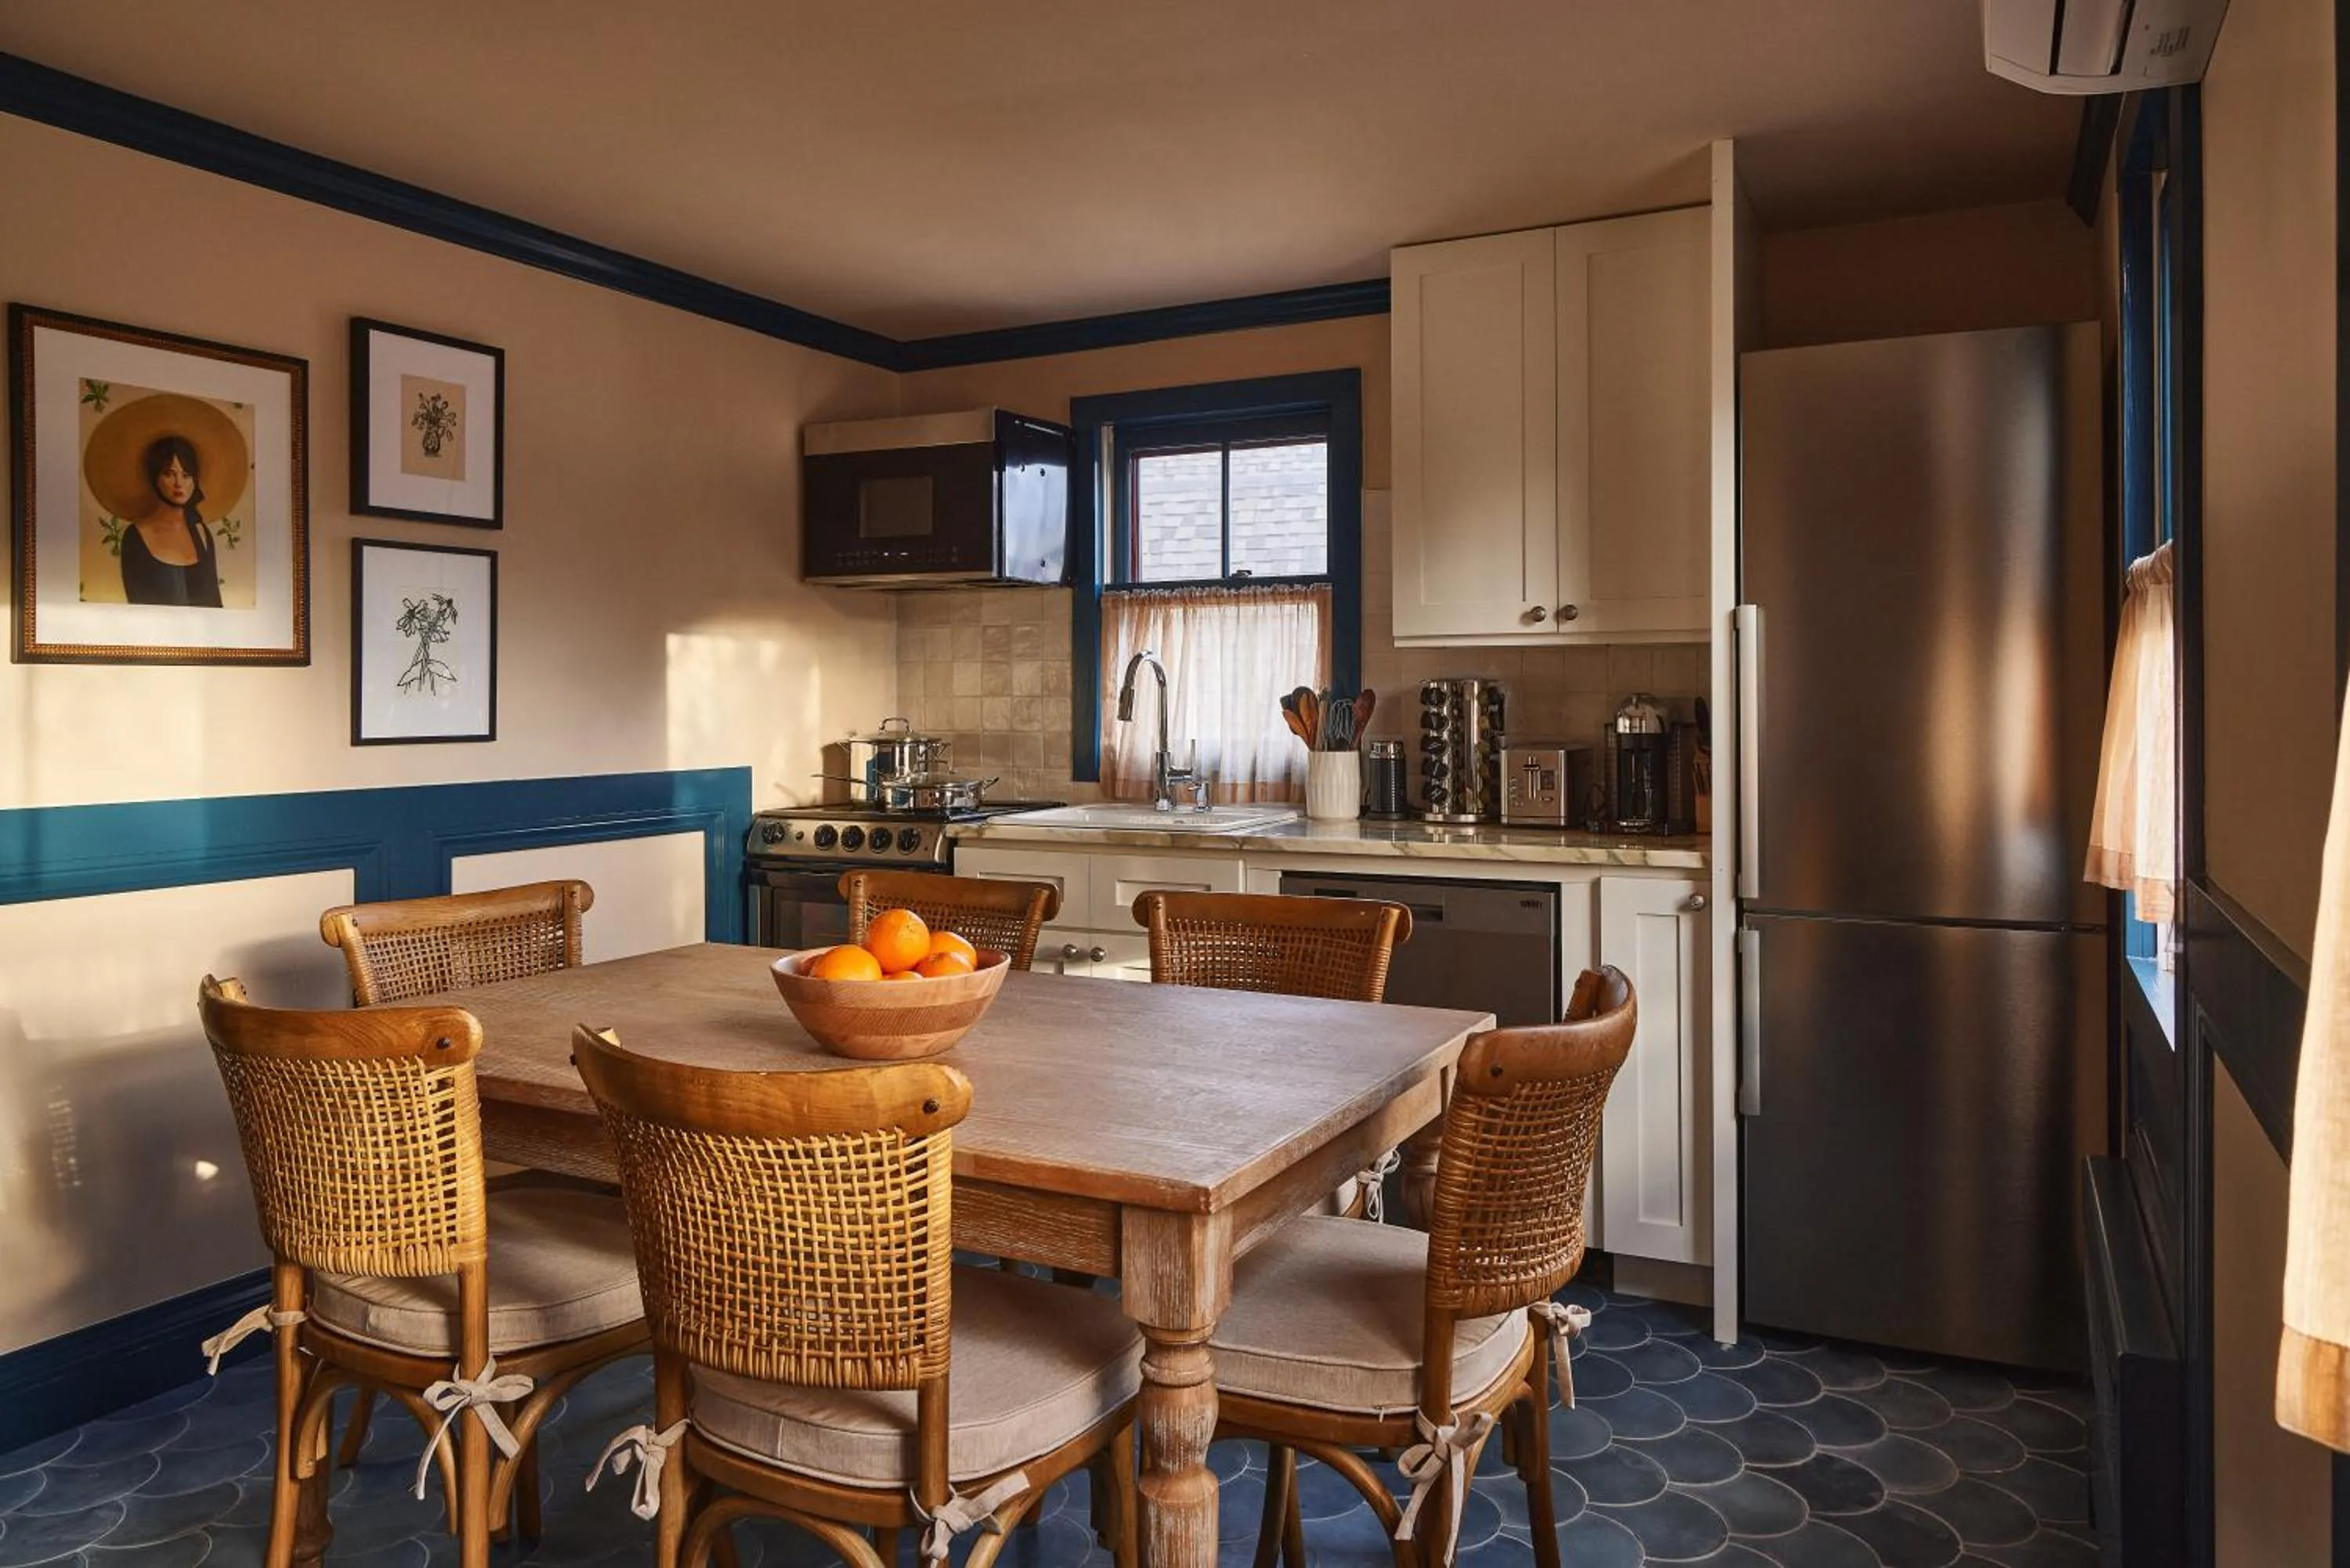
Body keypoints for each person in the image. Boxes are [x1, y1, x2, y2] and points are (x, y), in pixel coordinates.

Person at [118, 435, 222, 607]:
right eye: (169, 474)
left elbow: (215, 603)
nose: (179, 483)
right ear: (155, 478)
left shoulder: (201, 533)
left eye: (186, 475)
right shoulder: (136, 537)